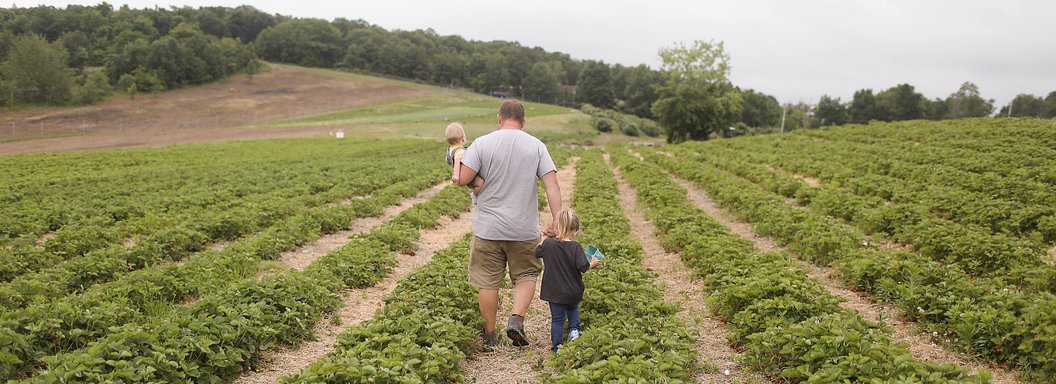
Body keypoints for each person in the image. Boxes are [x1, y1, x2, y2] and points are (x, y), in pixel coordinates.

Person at [456, 100, 562, 347]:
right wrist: (557, 221)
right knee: (526, 273)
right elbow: (552, 184)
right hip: (523, 228)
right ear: (523, 123)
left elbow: (462, 179)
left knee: (488, 280)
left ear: (499, 118)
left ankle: (490, 335)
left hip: (488, 228)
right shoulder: (536, 145)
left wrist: (456, 158)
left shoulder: (482, 143)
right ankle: (516, 319)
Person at [535, 209, 601, 353]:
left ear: (557, 228)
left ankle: (557, 348)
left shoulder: (549, 245)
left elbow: (537, 252)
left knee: (557, 320)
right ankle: (574, 332)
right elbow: (583, 267)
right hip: (573, 290)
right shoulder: (576, 247)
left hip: (555, 292)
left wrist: (545, 237)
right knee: (573, 310)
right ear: (575, 231)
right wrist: (593, 263)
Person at [444, 122, 485, 203]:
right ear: (462, 138)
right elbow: (456, 164)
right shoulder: (460, 152)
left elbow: (447, 160)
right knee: (480, 183)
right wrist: (455, 175)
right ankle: (475, 196)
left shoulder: (450, 150)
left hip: (464, 173)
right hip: (465, 174)